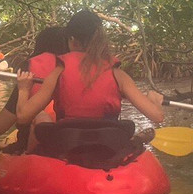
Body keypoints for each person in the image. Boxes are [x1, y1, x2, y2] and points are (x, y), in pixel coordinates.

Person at [16, 9, 164, 127]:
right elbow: (157, 116)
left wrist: (23, 89)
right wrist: (154, 101)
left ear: (72, 40)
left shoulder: (59, 72)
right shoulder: (118, 75)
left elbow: (23, 117)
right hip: (107, 150)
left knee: (41, 117)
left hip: (67, 148)